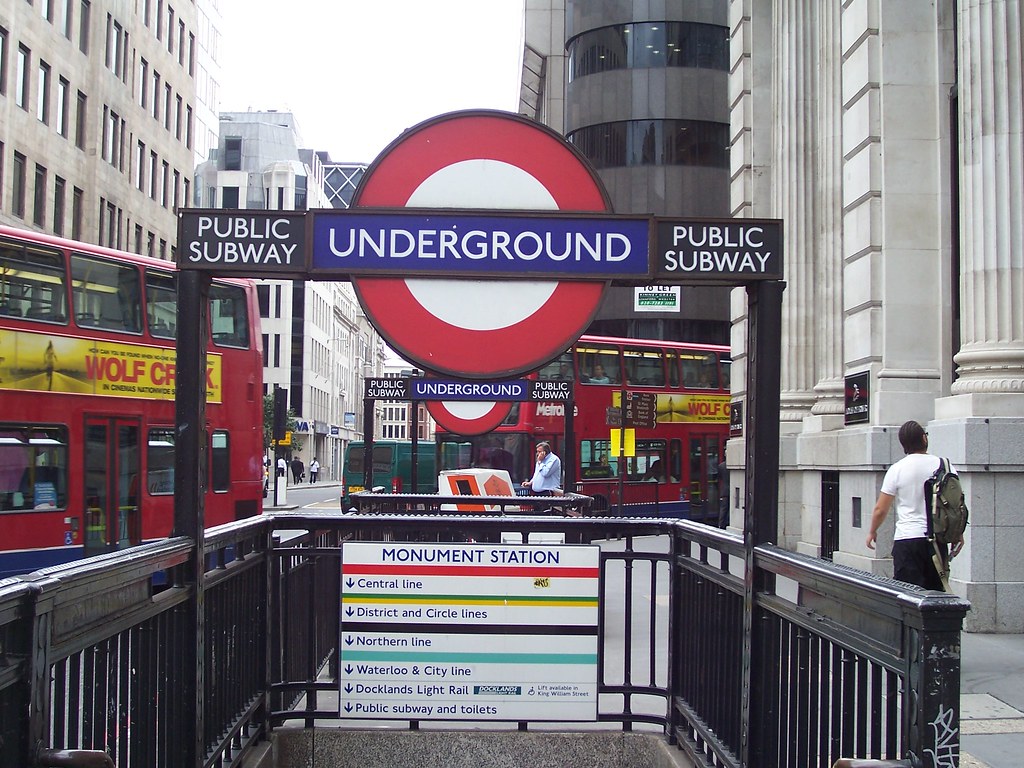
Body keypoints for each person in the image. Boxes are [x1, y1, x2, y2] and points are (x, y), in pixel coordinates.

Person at [866, 420, 965, 590]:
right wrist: (957, 534)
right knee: (935, 596)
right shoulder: (945, 466)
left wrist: (872, 531)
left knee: (907, 596)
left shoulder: (897, 469)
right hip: (936, 540)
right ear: (924, 439)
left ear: (904, 445)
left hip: (907, 541)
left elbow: (880, 509)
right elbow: (956, 505)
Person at [716, 455, 729, 528]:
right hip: (733, 490)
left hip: (725, 490)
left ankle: (721, 525)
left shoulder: (721, 466)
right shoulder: (731, 467)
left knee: (724, 509)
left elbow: (719, 478)